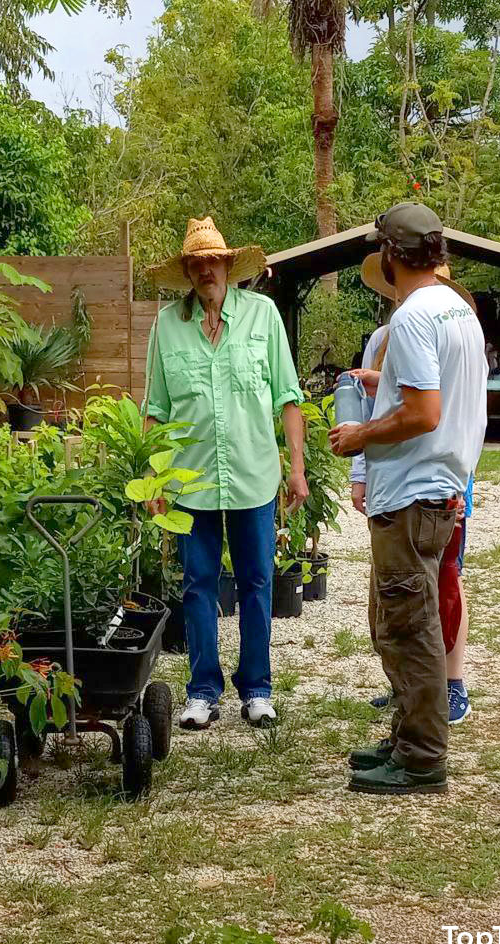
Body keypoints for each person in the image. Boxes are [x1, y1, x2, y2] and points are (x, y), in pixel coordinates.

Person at [329, 202, 486, 795]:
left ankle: (421, 757)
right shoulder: (458, 313)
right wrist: (382, 382)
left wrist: (360, 434)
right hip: (440, 490)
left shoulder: (415, 316)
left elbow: (424, 413)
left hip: (412, 496)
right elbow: (444, 397)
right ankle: (406, 735)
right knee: (396, 620)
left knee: (408, 627)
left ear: (391, 255)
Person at [143, 217, 307, 731]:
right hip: (192, 483)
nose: (205, 270)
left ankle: (257, 687)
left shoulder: (263, 317)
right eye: (195, 263)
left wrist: (297, 468)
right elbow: (154, 411)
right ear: (188, 270)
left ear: (229, 266)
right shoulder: (166, 326)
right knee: (197, 584)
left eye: (213, 261)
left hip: (254, 475)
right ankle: (202, 691)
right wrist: (155, 479)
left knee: (258, 581)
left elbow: (288, 396)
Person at [351, 262, 474, 725]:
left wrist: (360, 436)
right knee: (399, 601)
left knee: (436, 590)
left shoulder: (432, 322)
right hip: (403, 484)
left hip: (430, 483)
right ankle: (411, 702)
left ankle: (443, 698)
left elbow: (442, 410)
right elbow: (409, 398)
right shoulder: (390, 335)